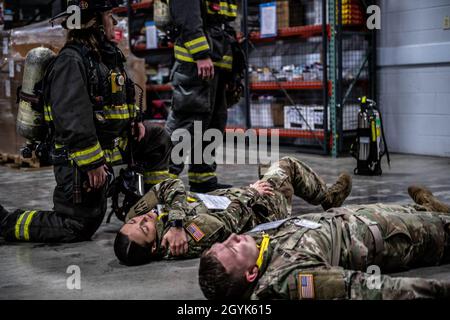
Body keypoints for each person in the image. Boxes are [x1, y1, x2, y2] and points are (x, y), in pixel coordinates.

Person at [0, 0, 171, 243]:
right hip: (79, 160)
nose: (113, 22)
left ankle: (148, 207)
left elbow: (120, 98)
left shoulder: (106, 58)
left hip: (112, 148)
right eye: (109, 15)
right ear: (94, 23)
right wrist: (92, 163)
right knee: (76, 226)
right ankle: (5, 223)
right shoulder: (72, 61)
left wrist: (135, 121)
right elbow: (72, 119)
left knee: (157, 139)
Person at [198, 185, 450, 300]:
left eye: (222, 242)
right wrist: (438, 290)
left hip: (364, 215)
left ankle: (428, 205)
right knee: (441, 226)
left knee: (425, 212)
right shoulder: (289, 278)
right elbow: (363, 288)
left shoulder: (258, 248)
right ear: (252, 274)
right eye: (232, 247)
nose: (232, 238)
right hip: (395, 235)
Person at [113, 156, 352, 265]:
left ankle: (273, 182)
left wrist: (172, 220)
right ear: (154, 246)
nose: (141, 219)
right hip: (261, 209)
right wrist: (252, 192)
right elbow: (231, 222)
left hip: (230, 198)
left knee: (266, 164)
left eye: (134, 222)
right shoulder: (189, 236)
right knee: (285, 166)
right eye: (143, 227)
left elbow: (169, 184)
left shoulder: (163, 224)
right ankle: (328, 198)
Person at [165, 0, 241, 193]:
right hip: (195, 64)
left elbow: (222, 24)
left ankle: (203, 178)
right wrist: (200, 54)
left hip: (216, 64)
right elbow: (187, 18)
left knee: (213, 123)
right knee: (186, 124)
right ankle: (162, 180)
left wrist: (232, 70)